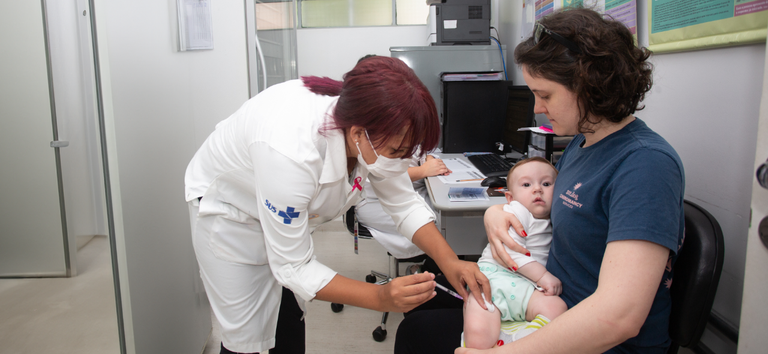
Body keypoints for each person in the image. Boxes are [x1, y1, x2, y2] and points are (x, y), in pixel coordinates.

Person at [395, 7, 685, 354]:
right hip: (548, 298)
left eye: (545, 95)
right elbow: (561, 211)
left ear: (589, 85)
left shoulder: (645, 165)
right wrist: (496, 214)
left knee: (417, 334)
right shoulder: (583, 142)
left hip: (597, 337)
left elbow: (617, 318)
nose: (537, 108)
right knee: (420, 304)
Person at [184, 56, 490, 354]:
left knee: (288, 321)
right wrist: (379, 297)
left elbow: (403, 203)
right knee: (245, 340)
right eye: (397, 151)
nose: (402, 161)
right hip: (232, 215)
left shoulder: (366, 127)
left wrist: (450, 263)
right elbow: (294, 266)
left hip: (280, 207)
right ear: (357, 134)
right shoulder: (291, 151)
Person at [463, 157, 566, 349]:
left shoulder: (551, 218)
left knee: (556, 308)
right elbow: (509, 252)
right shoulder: (518, 211)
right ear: (510, 198)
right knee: (478, 335)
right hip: (493, 283)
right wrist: (543, 276)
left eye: (546, 184)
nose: (537, 189)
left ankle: (517, 340)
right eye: (527, 184)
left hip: (527, 287)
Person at [355, 152, 451, 260]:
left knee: (444, 215)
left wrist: (429, 159)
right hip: (376, 200)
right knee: (443, 221)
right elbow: (383, 175)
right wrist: (423, 170)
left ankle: (436, 264)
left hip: (408, 189)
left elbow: (421, 151)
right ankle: (433, 265)